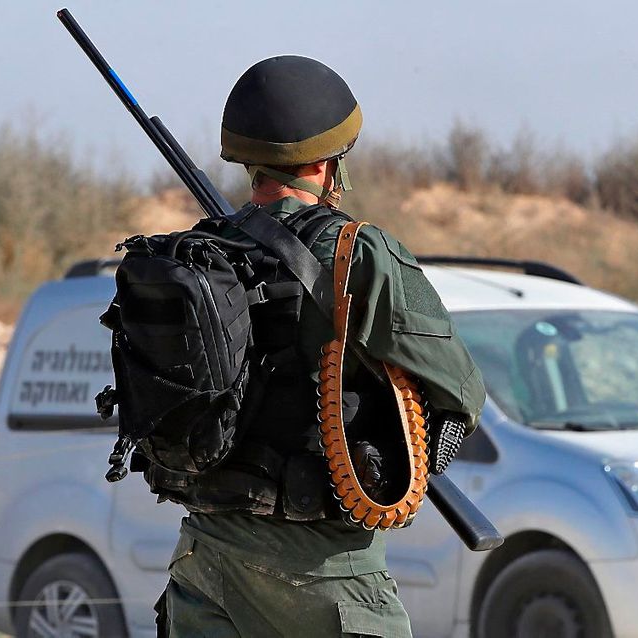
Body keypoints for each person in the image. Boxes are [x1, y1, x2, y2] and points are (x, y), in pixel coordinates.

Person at [152, 55, 486, 637]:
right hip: (325, 573)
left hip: (203, 562)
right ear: (328, 162)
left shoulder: (193, 255)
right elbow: (459, 396)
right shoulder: (360, 253)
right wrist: (394, 472)